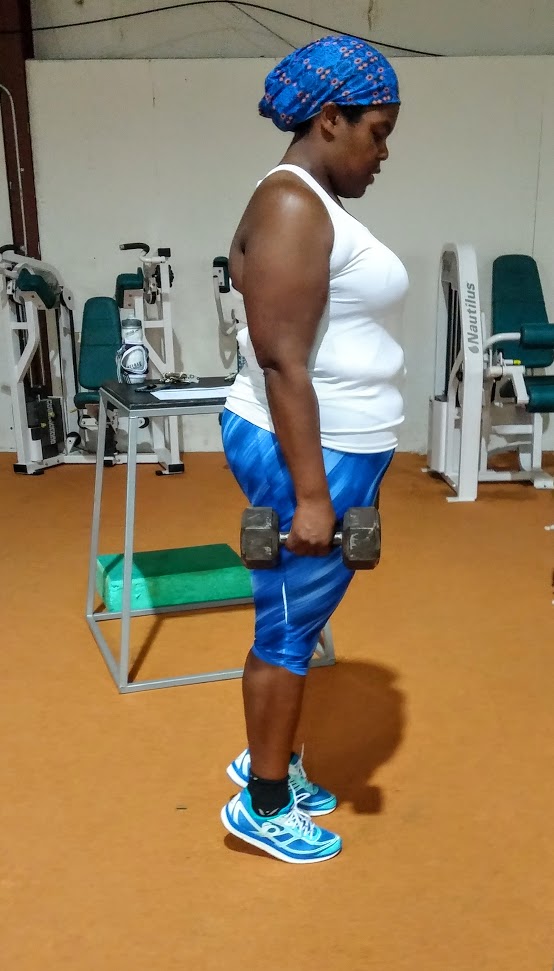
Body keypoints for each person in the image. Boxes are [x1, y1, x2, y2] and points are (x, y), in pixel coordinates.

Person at [219, 34, 409, 864]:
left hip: (334, 444)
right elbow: (281, 360)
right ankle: (261, 802)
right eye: (377, 131)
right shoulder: (295, 205)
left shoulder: (310, 204)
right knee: (288, 627)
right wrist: (310, 497)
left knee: (299, 616)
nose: (383, 152)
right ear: (331, 119)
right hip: (311, 451)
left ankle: (275, 762)